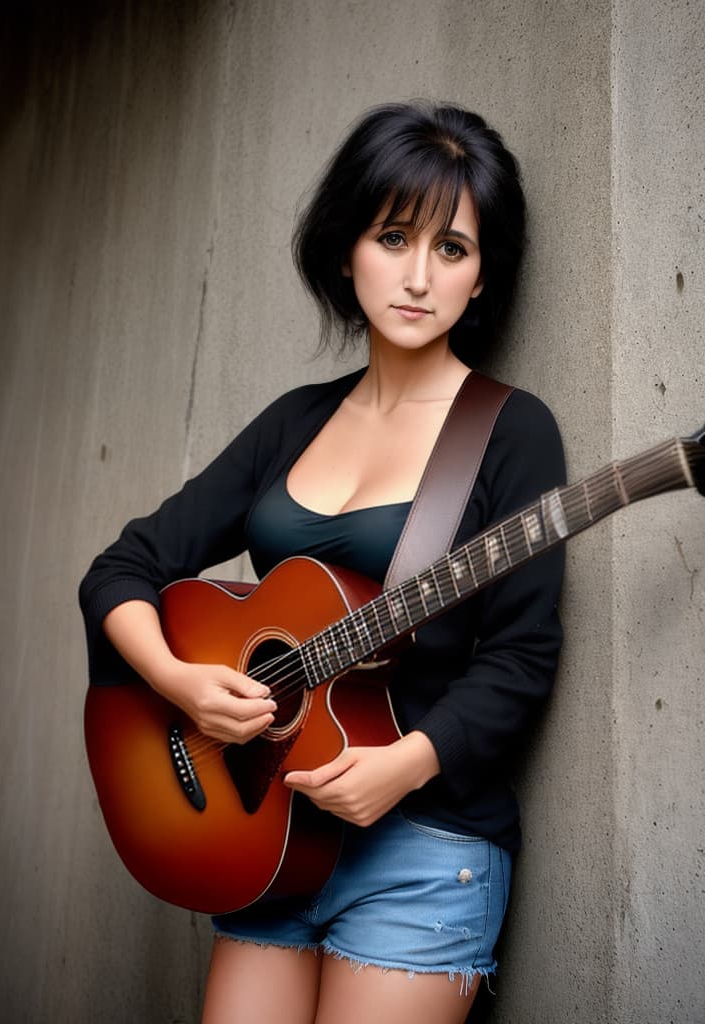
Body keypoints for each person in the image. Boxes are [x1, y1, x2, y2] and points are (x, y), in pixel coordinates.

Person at [79, 101, 565, 1024]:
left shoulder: (510, 433)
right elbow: (124, 567)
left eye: (452, 249)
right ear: (348, 252)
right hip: (269, 841)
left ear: (483, 276)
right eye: (394, 237)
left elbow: (523, 654)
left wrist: (409, 763)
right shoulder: (293, 423)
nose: (419, 275)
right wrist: (183, 683)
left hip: (425, 847)